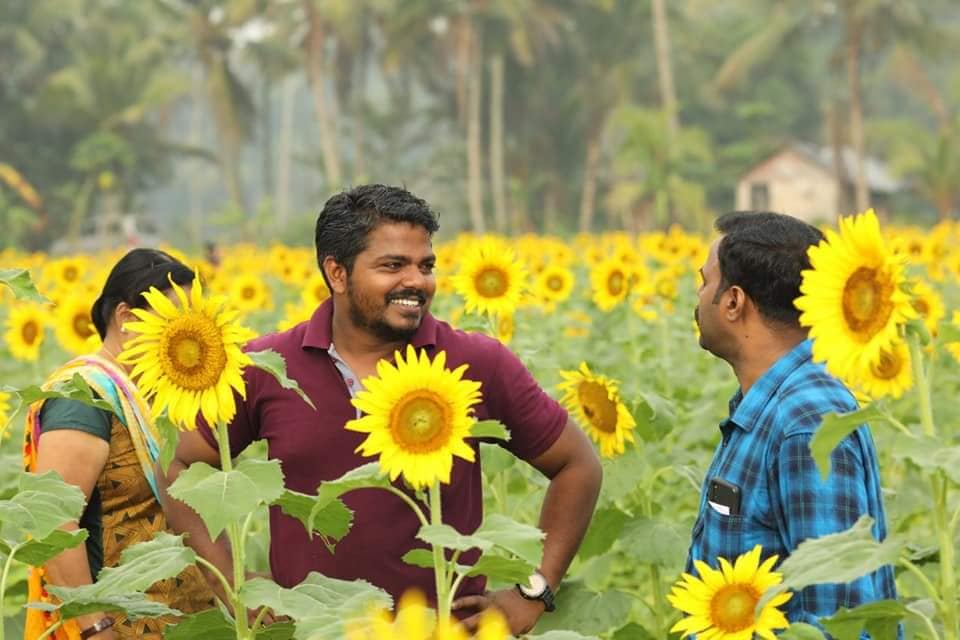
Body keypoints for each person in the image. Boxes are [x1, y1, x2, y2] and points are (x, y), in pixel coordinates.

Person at [159, 184, 603, 635]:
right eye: (393, 265)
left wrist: (535, 590)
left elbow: (577, 464)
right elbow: (182, 467)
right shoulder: (267, 367)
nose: (416, 281)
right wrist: (234, 587)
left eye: (425, 265)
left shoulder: (473, 362)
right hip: (318, 632)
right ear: (337, 273)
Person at [688, 211, 897, 626]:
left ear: (733, 302)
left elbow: (837, 616)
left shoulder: (806, 423)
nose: (696, 297)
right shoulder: (770, 405)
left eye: (704, 281)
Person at [23, 249, 216, 640]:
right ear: (127, 318)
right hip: (120, 627)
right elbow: (54, 525)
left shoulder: (156, 393)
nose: (186, 329)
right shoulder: (83, 398)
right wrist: (93, 626)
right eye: (173, 317)